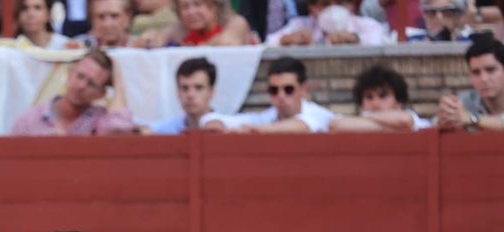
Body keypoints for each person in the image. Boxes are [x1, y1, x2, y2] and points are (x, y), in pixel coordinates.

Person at [10, 49, 136, 135]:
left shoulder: (100, 119)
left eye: (91, 84)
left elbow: (118, 129)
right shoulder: (31, 118)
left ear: (101, 94)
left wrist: (118, 81)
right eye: (80, 76)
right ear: (70, 73)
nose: (81, 86)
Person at [202, 56, 335, 133]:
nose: (281, 96)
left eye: (288, 89)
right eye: (274, 90)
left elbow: (302, 125)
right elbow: (210, 119)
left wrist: (254, 130)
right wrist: (217, 123)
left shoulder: (318, 114)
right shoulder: (268, 117)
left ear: (304, 89)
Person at [329, 64, 431, 132]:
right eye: (369, 97)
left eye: (383, 96)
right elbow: (335, 125)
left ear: (398, 102)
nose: (375, 103)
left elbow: (404, 121)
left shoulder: (414, 119)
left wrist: (366, 117)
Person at [437, 35, 504, 131]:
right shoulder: (464, 101)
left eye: (491, 70)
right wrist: (445, 118)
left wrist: (471, 118)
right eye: (476, 72)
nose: (484, 79)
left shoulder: (465, 111)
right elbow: (429, 126)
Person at [134, 0, 256, 46]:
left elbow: (227, 42)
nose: (191, 12)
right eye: (184, 7)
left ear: (214, 6)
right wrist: (150, 38)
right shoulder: (180, 29)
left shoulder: (235, 22)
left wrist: (196, 46)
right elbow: (149, 41)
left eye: (198, 4)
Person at [265, 0, 387, 46]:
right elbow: (269, 42)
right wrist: (286, 40)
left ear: (351, 6)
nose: (333, 9)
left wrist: (354, 39)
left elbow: (379, 40)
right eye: (325, 4)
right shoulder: (300, 24)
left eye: (339, 3)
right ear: (311, 8)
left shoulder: (365, 24)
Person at [145, 56, 216, 134]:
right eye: (185, 88)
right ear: (177, 92)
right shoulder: (163, 131)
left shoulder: (228, 128)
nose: (190, 95)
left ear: (211, 92)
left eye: (198, 88)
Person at [408, 0, 474, 39]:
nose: (439, 17)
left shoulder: (468, 44)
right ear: (425, 16)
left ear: (458, 17)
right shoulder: (411, 42)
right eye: (432, 12)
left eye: (447, 12)